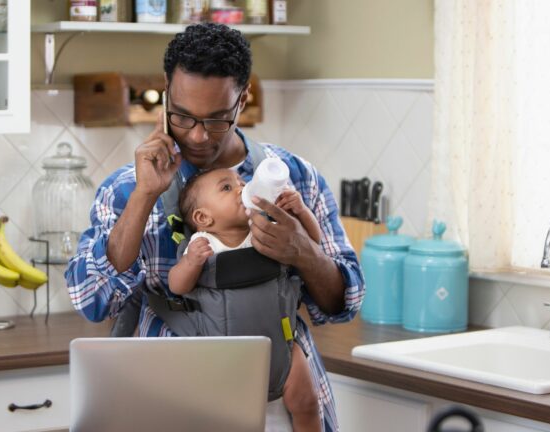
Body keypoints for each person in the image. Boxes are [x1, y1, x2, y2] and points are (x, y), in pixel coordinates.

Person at [66, 23, 365, 431]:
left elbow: (342, 305)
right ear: (167, 94)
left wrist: (304, 252)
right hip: (168, 402)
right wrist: (144, 196)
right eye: (183, 117)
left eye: (217, 119)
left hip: (283, 397)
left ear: (242, 100)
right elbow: (92, 300)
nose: (199, 136)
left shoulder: (293, 176)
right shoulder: (126, 188)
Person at [169, 167, 322, 432]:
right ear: (203, 217)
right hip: (228, 356)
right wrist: (192, 262)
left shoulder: (266, 229)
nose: (242, 188)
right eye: (227, 188)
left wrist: (301, 213)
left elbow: (312, 243)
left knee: (307, 403)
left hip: (282, 343)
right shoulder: (203, 244)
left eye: (241, 182)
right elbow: (177, 286)